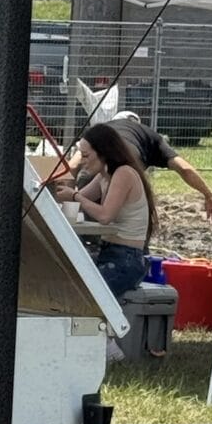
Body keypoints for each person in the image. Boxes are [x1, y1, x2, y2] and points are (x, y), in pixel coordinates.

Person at [55, 123, 158, 300]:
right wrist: (56, 191)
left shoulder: (124, 173)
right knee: (66, 278)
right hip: (109, 251)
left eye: (86, 156)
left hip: (126, 259)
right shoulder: (104, 176)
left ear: (103, 152)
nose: (83, 162)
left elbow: (105, 215)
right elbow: (76, 198)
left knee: (82, 295)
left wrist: (76, 196)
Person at [70, 111, 212, 223]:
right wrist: (209, 195)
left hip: (92, 172)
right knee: (125, 218)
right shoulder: (150, 136)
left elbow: (72, 165)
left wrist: (65, 195)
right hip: (129, 165)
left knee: (87, 217)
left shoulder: (102, 131)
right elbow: (184, 169)